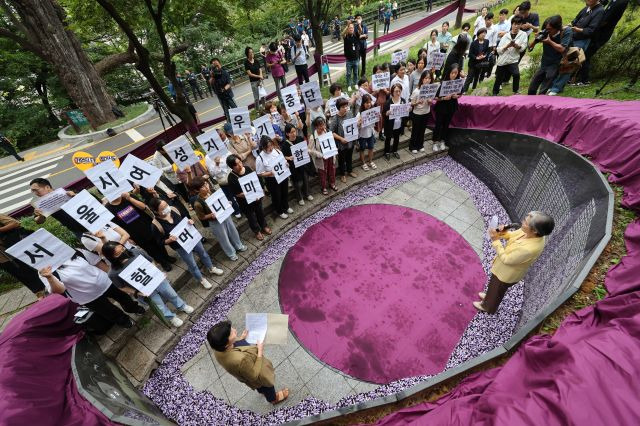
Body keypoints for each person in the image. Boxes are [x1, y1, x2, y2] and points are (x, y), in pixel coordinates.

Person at [39, 250, 144, 330]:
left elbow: (98, 263)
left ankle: (133, 308)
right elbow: (60, 290)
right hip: (87, 297)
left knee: (124, 297)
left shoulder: (76, 251)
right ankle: (123, 320)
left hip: (105, 282)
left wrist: (115, 277)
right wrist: (49, 277)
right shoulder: (43, 271)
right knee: (109, 311)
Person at [473, 211, 555, 314]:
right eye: (525, 219)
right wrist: (502, 232)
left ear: (534, 230)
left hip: (506, 274)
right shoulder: (531, 233)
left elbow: (506, 259)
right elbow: (512, 236)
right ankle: (489, 297)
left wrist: (496, 240)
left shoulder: (528, 249)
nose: (522, 222)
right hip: (502, 269)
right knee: (494, 288)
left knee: (497, 290)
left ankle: (488, 306)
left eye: (526, 222)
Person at [101, 241, 194, 327]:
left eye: (122, 248)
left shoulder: (136, 252)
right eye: (118, 253)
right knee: (159, 306)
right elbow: (121, 287)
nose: (122, 251)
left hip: (157, 280)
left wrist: (157, 272)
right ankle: (171, 318)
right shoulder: (113, 273)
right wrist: (136, 292)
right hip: (144, 291)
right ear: (111, 257)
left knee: (171, 294)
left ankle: (182, 306)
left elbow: (151, 261)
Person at [207, 320, 289, 404]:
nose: (234, 330)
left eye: (231, 329)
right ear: (225, 344)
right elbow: (254, 375)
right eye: (231, 333)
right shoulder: (241, 360)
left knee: (260, 388)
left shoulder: (218, 349)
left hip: (245, 373)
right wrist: (260, 350)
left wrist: (241, 338)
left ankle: (262, 392)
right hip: (257, 375)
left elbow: (232, 346)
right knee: (267, 387)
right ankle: (273, 399)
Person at [149, 198, 222, 290]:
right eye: (163, 208)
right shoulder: (155, 225)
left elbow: (185, 218)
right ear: (156, 211)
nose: (167, 208)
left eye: (166, 205)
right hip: (180, 246)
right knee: (192, 263)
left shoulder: (174, 209)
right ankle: (201, 279)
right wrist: (169, 240)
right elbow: (160, 242)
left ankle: (211, 268)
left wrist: (190, 221)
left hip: (192, 238)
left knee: (203, 253)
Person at [105, 190, 175, 271]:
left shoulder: (128, 196)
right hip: (135, 233)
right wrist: (129, 238)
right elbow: (116, 226)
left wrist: (129, 198)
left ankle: (167, 257)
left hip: (148, 225)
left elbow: (144, 207)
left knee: (159, 243)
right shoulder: (108, 208)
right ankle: (163, 263)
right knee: (150, 249)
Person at [548, 0, 604, 95]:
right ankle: (554, 85)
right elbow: (574, 21)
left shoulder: (600, 11)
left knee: (570, 62)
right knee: (561, 59)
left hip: (584, 40)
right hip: (573, 36)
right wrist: (568, 26)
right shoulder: (586, 8)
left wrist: (577, 29)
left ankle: (556, 88)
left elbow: (591, 31)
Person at [189, 177, 247, 261]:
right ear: (197, 190)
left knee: (233, 231)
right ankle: (231, 253)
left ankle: (239, 245)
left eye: (206, 184)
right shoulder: (198, 203)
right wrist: (210, 215)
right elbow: (201, 217)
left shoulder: (213, 192)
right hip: (215, 222)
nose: (206, 186)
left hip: (225, 215)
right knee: (223, 238)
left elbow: (222, 202)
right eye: (203, 186)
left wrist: (228, 203)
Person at [577, 0, 630, 85]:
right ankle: (578, 78)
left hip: (602, 34)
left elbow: (605, 21)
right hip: (599, 31)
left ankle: (584, 80)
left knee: (586, 54)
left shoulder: (620, 2)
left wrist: (591, 27)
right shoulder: (614, 1)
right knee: (585, 53)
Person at [226, 154, 272, 241]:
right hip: (245, 202)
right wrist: (250, 195)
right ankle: (257, 231)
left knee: (260, 212)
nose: (240, 165)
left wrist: (261, 190)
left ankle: (264, 226)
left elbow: (257, 180)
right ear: (232, 167)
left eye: (240, 162)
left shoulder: (248, 168)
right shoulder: (231, 178)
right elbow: (237, 193)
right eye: (236, 164)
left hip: (257, 198)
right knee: (251, 217)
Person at [527, 16, 573, 95]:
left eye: (549, 29)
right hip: (545, 62)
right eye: (546, 29)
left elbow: (562, 48)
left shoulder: (566, 31)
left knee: (543, 89)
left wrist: (549, 41)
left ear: (557, 28)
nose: (547, 31)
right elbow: (530, 47)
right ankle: (530, 103)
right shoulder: (546, 31)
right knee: (532, 88)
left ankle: (541, 103)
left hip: (556, 63)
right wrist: (536, 39)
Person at [0, 214, 44, 295]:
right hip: (2, 258)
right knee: (20, 275)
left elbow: (15, 223)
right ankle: (39, 293)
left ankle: (51, 284)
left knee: (33, 268)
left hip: (14, 247)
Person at [255, 136, 292, 220]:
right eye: (267, 147)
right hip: (272, 180)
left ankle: (286, 206)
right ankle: (279, 211)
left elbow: (283, 161)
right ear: (263, 147)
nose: (270, 148)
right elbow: (260, 173)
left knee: (284, 192)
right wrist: (270, 173)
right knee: (276, 196)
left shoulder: (277, 151)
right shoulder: (260, 158)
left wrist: (286, 164)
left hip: (282, 175)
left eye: (271, 145)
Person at [492, 16, 527, 96]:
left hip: (513, 59)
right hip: (503, 59)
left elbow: (523, 47)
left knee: (516, 74)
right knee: (499, 78)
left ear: (521, 25)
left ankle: (515, 91)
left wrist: (516, 46)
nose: (516, 26)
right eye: (514, 24)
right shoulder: (506, 35)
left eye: (518, 24)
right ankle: (495, 93)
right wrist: (507, 46)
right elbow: (499, 50)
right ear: (512, 24)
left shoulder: (523, 34)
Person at [281, 124, 313, 206]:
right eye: (291, 132)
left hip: (303, 164)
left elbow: (305, 149)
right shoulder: (285, 144)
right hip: (293, 167)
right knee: (297, 183)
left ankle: (307, 194)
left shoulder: (300, 138)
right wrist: (288, 158)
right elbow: (282, 157)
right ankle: (300, 198)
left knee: (305, 179)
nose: (294, 133)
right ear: (287, 134)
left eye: (294, 131)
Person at [433, 64, 463, 151]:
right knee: (438, 124)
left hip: (452, 106)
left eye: (456, 73)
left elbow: (460, 94)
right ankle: (435, 142)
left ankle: (443, 141)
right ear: (449, 72)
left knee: (446, 124)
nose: (454, 75)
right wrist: (443, 98)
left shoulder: (458, 83)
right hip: (442, 107)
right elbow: (435, 97)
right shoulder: (443, 83)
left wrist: (456, 96)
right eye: (452, 73)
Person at [329, 98, 357, 183]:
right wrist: (341, 139)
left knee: (349, 157)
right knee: (342, 159)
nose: (345, 108)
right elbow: (331, 132)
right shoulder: (335, 118)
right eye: (343, 107)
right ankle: (342, 174)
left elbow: (353, 124)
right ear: (338, 108)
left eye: (346, 106)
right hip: (341, 143)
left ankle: (350, 171)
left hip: (350, 141)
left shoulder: (349, 114)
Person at [309, 116, 337, 195]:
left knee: (332, 169)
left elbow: (331, 143)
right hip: (321, 158)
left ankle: (332, 183)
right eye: (320, 125)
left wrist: (334, 151)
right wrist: (319, 154)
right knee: (322, 173)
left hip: (330, 155)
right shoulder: (313, 137)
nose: (322, 127)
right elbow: (310, 150)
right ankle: (323, 187)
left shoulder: (327, 131)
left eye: (323, 124)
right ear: (316, 126)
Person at [409, 71, 434, 153]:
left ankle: (420, 145)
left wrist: (430, 102)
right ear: (422, 79)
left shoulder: (431, 89)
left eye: (429, 78)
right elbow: (411, 103)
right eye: (426, 78)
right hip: (417, 114)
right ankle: (413, 146)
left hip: (426, 112)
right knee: (415, 130)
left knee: (422, 130)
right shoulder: (416, 91)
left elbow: (431, 102)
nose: (427, 80)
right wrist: (417, 102)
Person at [382, 83, 408, 160]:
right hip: (390, 125)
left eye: (399, 91)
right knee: (388, 138)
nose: (398, 93)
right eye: (396, 91)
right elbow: (383, 114)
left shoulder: (403, 100)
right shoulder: (388, 102)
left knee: (397, 138)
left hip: (399, 124)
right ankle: (386, 152)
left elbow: (405, 113)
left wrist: (408, 110)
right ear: (392, 92)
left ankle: (395, 150)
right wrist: (387, 113)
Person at [210, 58, 237, 122]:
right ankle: (230, 123)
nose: (216, 66)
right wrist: (212, 76)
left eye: (216, 64)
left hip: (228, 94)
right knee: (226, 112)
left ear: (219, 63)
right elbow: (211, 83)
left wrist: (224, 89)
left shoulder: (225, 72)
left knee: (235, 109)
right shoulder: (213, 74)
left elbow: (229, 83)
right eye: (214, 65)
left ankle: (240, 121)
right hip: (220, 96)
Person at [464, 28, 491, 92]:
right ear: (478, 34)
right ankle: (464, 90)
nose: (484, 35)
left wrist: (484, 56)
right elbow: (470, 54)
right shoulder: (473, 43)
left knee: (477, 76)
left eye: (485, 33)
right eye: (482, 33)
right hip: (473, 63)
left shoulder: (487, 41)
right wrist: (476, 57)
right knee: (469, 77)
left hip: (481, 63)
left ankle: (474, 88)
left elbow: (487, 51)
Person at [356, 94, 378, 170]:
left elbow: (375, 121)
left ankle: (370, 161)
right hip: (362, 134)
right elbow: (357, 125)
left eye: (370, 102)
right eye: (366, 103)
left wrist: (378, 116)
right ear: (363, 103)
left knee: (371, 147)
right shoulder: (359, 114)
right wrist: (359, 122)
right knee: (362, 149)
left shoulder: (373, 111)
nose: (368, 104)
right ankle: (363, 163)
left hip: (371, 133)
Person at [244, 47, 266, 112]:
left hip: (260, 80)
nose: (251, 53)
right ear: (247, 54)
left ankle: (264, 108)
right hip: (253, 82)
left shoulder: (256, 60)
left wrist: (261, 76)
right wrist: (258, 76)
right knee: (256, 98)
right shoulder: (246, 62)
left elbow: (260, 69)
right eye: (250, 52)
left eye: (252, 52)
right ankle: (257, 110)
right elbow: (249, 74)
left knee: (263, 95)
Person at [344, 23, 360, 92]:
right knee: (348, 73)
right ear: (348, 29)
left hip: (356, 59)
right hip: (349, 60)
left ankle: (355, 83)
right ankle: (349, 85)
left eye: (352, 28)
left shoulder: (356, 36)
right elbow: (343, 33)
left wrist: (358, 24)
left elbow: (360, 31)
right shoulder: (346, 36)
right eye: (350, 28)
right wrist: (347, 26)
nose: (351, 29)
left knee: (356, 72)